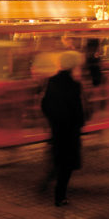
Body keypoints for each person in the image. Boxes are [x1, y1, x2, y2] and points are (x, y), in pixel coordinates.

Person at [41, 51, 85, 207]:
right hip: (69, 129)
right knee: (67, 164)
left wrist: (52, 119)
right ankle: (60, 196)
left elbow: (45, 104)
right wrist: (79, 123)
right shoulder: (74, 85)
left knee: (58, 158)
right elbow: (77, 108)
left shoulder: (52, 81)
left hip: (57, 127)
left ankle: (50, 184)